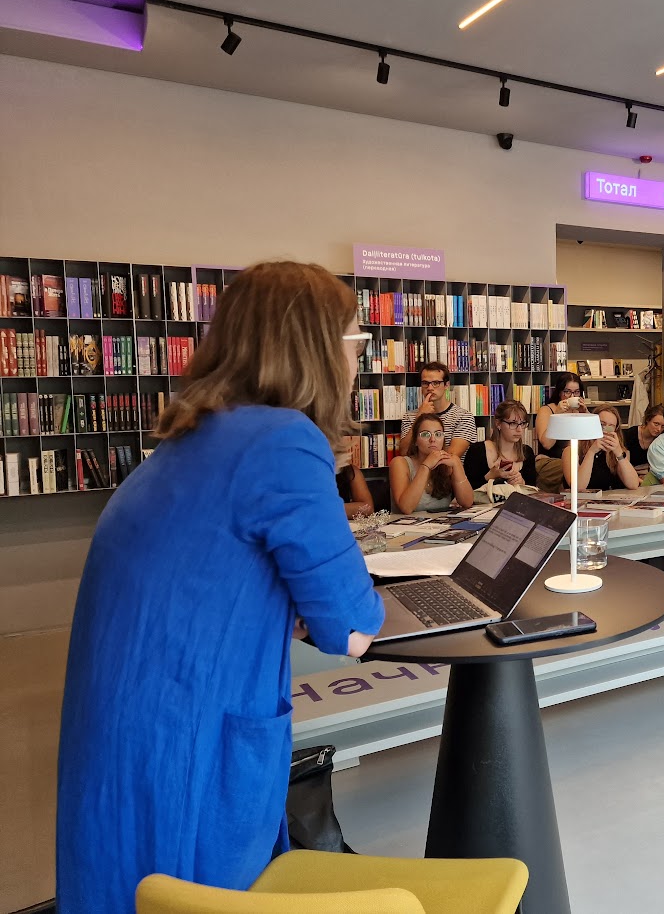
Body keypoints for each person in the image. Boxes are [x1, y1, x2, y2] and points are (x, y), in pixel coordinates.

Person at [56, 261, 385, 914]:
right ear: (320, 348)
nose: (359, 361)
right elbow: (351, 630)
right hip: (187, 748)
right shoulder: (285, 441)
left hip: (128, 737)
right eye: (357, 341)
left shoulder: (199, 432)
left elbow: (210, 574)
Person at [389, 412, 475, 513]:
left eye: (438, 434)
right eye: (425, 434)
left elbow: (467, 502)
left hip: (440, 522)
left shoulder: (447, 463)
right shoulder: (400, 463)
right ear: (415, 440)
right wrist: (425, 466)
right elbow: (406, 508)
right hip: (407, 522)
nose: (433, 439)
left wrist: (457, 465)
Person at [397, 361, 476, 459]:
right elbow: (404, 452)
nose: (430, 388)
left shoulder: (463, 417)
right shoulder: (410, 417)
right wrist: (419, 417)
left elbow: (451, 456)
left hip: (448, 468)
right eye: (425, 383)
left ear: (446, 385)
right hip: (419, 469)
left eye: (436, 383)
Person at [464, 398, 538, 491]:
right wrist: (489, 476)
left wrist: (522, 483)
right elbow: (465, 490)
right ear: (498, 424)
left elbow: (533, 490)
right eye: (513, 423)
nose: (519, 430)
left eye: (522, 424)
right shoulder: (477, 450)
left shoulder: (527, 452)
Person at [535, 371, 588, 491]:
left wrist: (586, 415)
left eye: (576, 392)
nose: (572, 396)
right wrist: (558, 416)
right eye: (567, 391)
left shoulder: (580, 411)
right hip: (553, 463)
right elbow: (546, 444)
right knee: (573, 468)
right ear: (559, 392)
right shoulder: (547, 410)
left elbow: (593, 441)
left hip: (578, 461)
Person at [566, 406, 642, 490]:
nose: (606, 429)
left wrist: (619, 453)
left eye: (611, 426)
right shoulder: (572, 450)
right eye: (602, 424)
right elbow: (578, 487)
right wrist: (591, 452)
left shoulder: (620, 453)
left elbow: (633, 484)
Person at [623, 404, 664, 471]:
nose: (659, 429)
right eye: (656, 424)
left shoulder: (661, 439)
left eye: (663, 426)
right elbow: (623, 465)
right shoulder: (630, 434)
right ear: (647, 420)